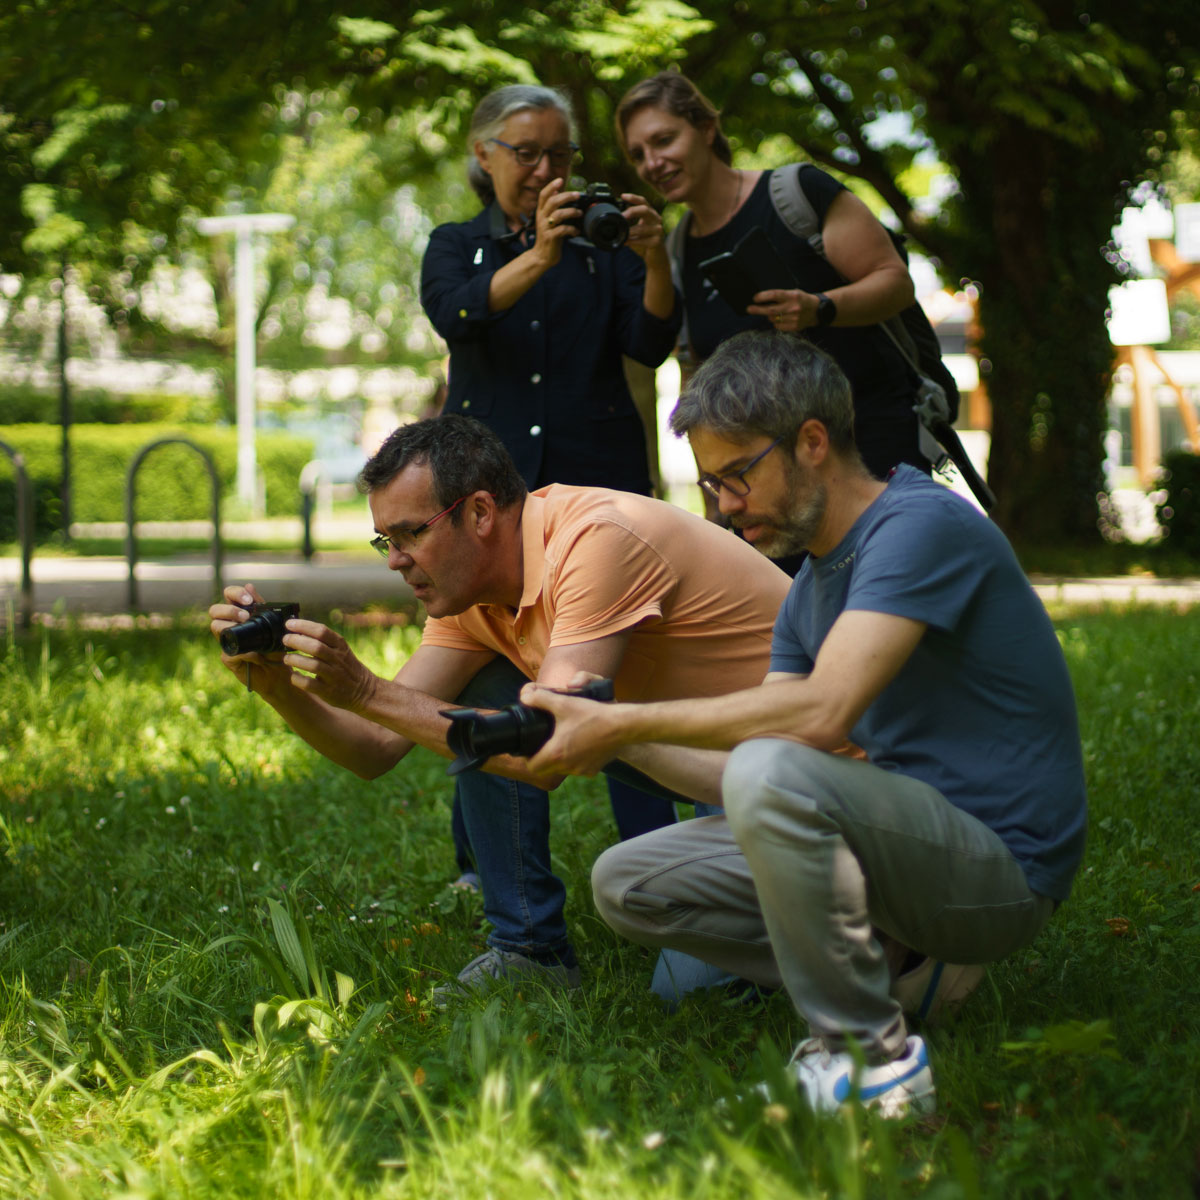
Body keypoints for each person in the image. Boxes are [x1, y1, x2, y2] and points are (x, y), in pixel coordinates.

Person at [520, 332, 1087, 1116]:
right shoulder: (813, 588)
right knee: (629, 882)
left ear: (812, 443)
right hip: (901, 851)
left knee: (769, 771)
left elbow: (824, 711)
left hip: (1000, 870)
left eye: (736, 476)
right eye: (710, 484)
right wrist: (614, 733)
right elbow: (760, 773)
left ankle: (868, 1061)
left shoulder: (917, 526)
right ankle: (902, 978)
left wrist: (626, 724)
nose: (722, 505)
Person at [208, 414, 789, 1002]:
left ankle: (849, 911)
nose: (395, 560)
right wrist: (278, 685)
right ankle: (527, 949)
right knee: (480, 692)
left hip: (800, 760)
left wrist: (365, 690)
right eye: (386, 540)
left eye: (411, 534)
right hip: (692, 754)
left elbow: (552, 750)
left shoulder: (597, 540)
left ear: (480, 513)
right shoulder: (472, 597)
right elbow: (375, 748)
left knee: (694, 996)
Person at [420, 82, 684, 877]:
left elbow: (650, 341)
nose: (544, 170)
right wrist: (537, 254)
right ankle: (487, 870)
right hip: (485, 499)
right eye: (526, 153)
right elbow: (456, 316)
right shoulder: (456, 243)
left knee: (627, 673)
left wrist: (654, 259)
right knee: (486, 666)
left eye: (560, 154)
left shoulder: (601, 247)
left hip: (597, 485)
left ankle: (658, 861)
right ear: (483, 155)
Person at [615, 70, 926, 484]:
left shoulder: (796, 195)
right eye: (637, 154)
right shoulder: (674, 251)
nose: (652, 163)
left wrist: (820, 309)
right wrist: (715, 490)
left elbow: (896, 283)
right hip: (771, 496)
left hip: (872, 460)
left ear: (707, 129)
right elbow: (696, 379)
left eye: (664, 140)